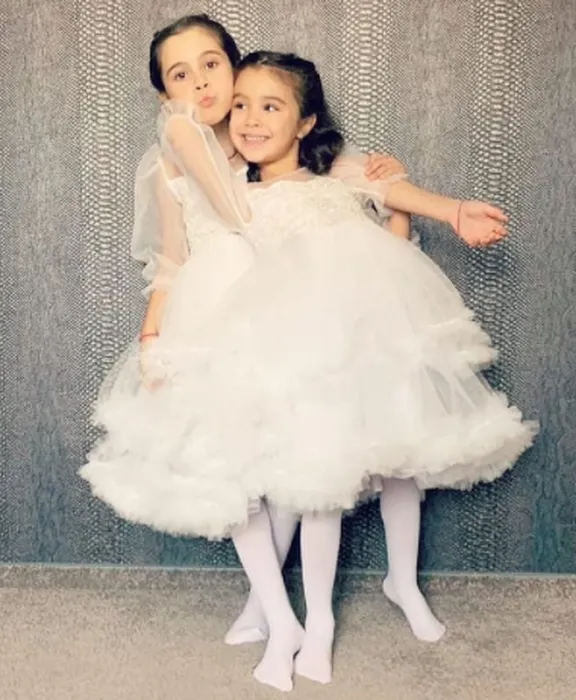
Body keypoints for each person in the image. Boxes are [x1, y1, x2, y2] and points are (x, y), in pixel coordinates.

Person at [80, 19, 534, 694]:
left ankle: (310, 614)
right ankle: (271, 606)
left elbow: (381, 193)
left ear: (236, 68)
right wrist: (151, 340)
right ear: (165, 94)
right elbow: (172, 262)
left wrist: (450, 208)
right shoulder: (187, 155)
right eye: (181, 75)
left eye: (213, 66)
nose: (203, 85)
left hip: (310, 329)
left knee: (312, 470)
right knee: (247, 468)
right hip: (231, 328)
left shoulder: (303, 162)